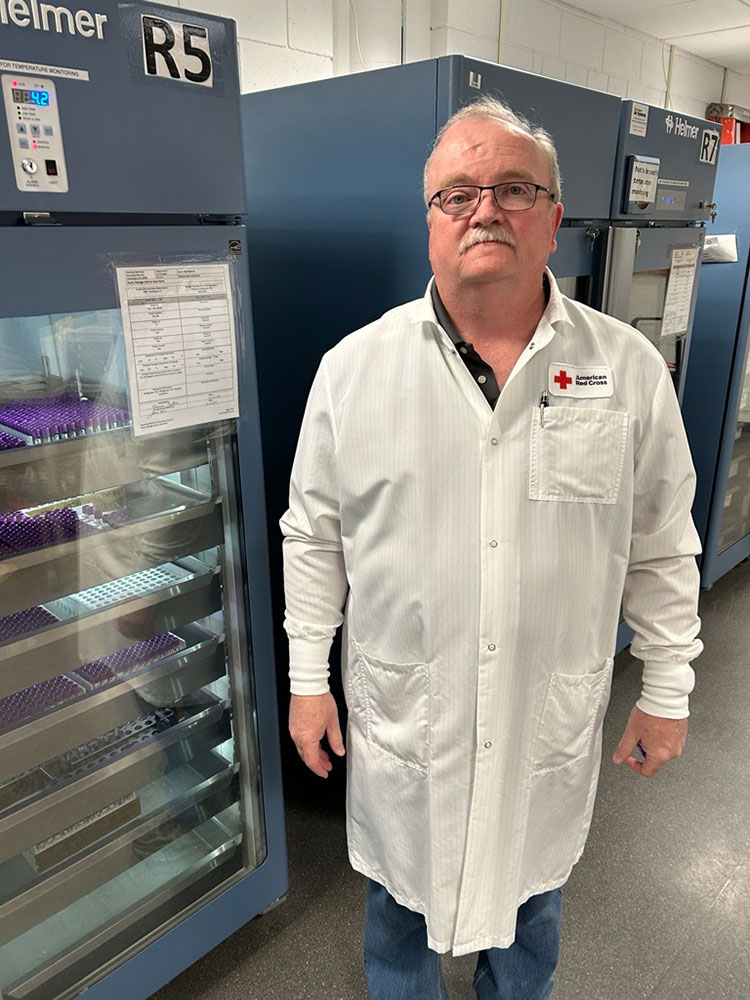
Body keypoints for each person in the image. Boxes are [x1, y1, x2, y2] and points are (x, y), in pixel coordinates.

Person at [281, 95, 702, 999]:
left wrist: (668, 688)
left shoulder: (624, 368)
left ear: (554, 219)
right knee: (397, 909)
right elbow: (314, 538)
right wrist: (307, 681)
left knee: (532, 907)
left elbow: (662, 543)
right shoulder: (356, 370)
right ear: (430, 222)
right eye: (457, 194)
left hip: (539, 723)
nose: (485, 210)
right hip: (408, 721)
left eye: (515, 189)